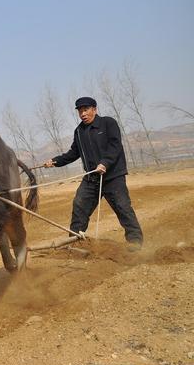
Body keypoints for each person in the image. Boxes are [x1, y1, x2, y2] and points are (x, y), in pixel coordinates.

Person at [44, 96, 143, 250]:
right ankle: (74, 241)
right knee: (79, 206)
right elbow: (73, 153)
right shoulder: (79, 131)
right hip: (92, 178)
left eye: (86, 109)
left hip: (112, 177)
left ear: (94, 109)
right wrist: (55, 161)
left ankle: (135, 241)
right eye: (80, 111)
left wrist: (105, 163)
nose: (83, 113)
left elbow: (115, 146)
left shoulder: (108, 123)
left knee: (123, 207)